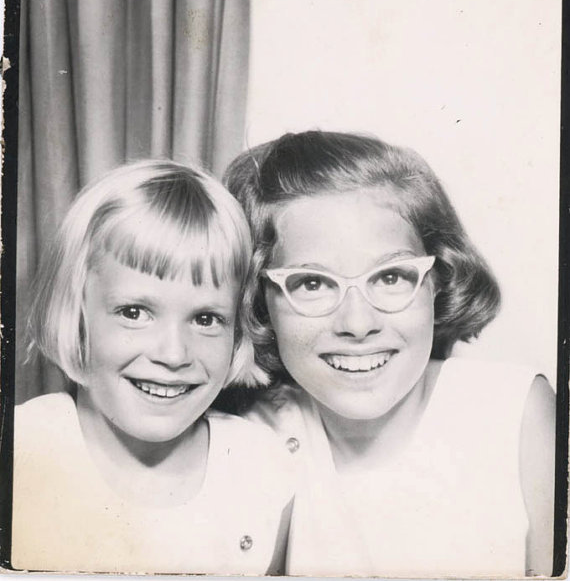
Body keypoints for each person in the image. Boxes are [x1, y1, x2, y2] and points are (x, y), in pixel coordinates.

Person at [224, 130, 555, 577]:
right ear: (259, 300)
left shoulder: (513, 413)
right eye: (312, 283)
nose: (358, 324)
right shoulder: (244, 439)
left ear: (438, 280)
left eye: (391, 277)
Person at [12, 160, 292, 575]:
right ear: (77, 315)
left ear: (238, 332)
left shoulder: (262, 466)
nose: (173, 354)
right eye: (134, 312)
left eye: (205, 319)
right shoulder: (21, 449)